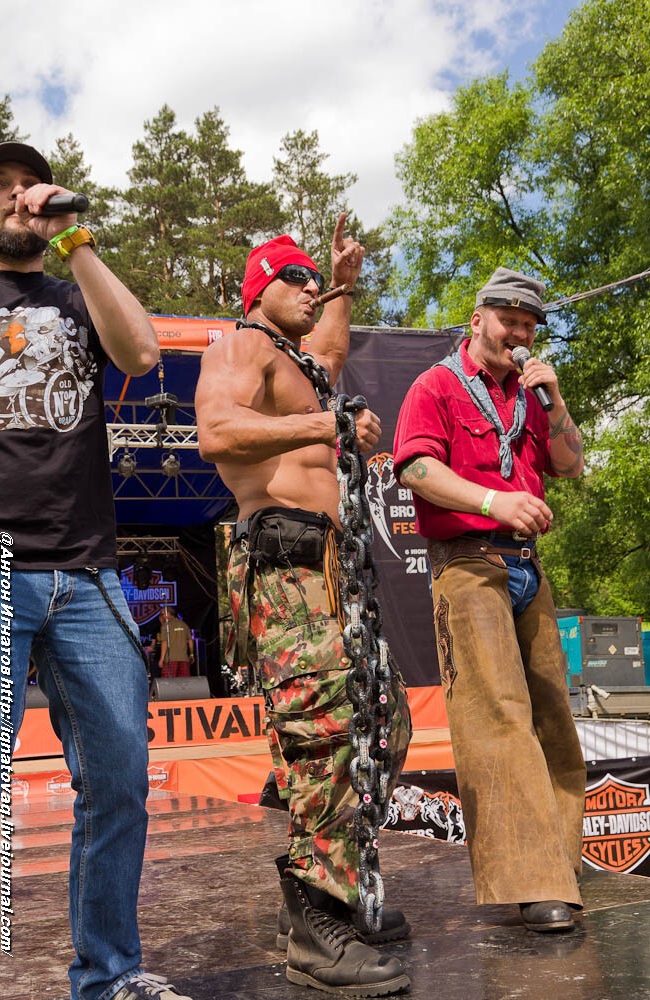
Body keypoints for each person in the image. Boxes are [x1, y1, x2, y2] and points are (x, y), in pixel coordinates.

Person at [0, 142, 191, 1000]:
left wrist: (79, 240)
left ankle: (107, 979)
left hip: (86, 571)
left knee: (119, 785)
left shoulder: (75, 295)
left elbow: (143, 355)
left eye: (26, 186)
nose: (16, 200)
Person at [195, 216, 412, 996]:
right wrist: (329, 425)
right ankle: (313, 924)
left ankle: (345, 891)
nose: (309, 287)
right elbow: (216, 430)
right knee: (323, 738)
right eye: (296, 278)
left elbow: (327, 353)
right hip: (286, 568)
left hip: (334, 572)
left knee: (381, 724)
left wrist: (345, 284)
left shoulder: (299, 362)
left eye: (313, 279)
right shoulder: (240, 347)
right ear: (259, 289)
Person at [393, 267, 587, 933]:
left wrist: (555, 398)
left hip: (527, 566)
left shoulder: (530, 393)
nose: (519, 334)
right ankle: (531, 884)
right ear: (476, 319)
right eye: (508, 321)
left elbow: (569, 465)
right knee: (498, 720)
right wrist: (491, 499)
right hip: (468, 564)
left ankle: (558, 866)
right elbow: (415, 468)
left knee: (553, 717)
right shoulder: (435, 386)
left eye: (529, 326)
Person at [157, 606, 195, 678]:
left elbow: (164, 643)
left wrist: (161, 659)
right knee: (184, 684)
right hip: (184, 659)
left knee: (168, 683)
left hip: (170, 659)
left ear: (168, 613)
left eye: (162, 614)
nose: (162, 616)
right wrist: (191, 654)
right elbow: (190, 640)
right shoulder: (184, 625)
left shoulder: (166, 626)